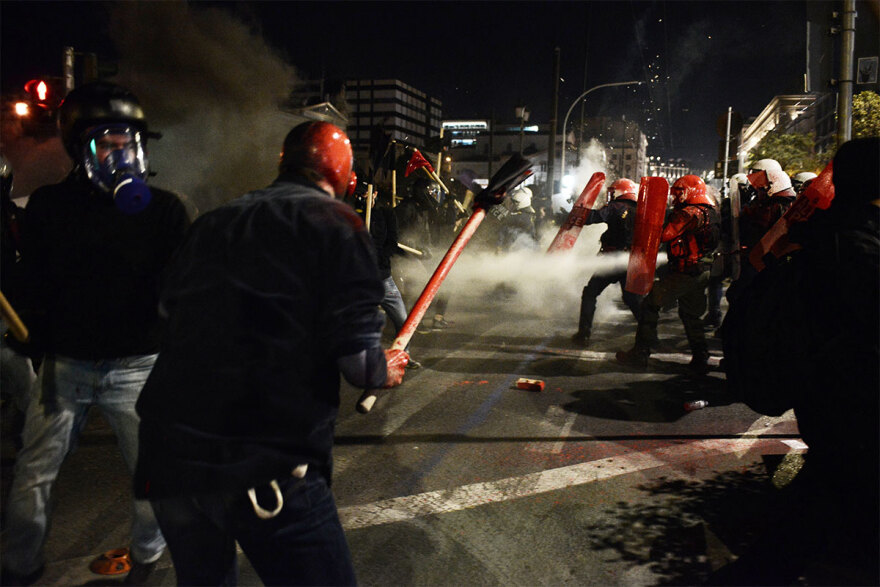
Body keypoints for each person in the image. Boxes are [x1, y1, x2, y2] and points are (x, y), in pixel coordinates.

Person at [133, 121, 409, 586]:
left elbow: (166, 312)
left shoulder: (214, 221)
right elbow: (360, 365)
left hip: (170, 463)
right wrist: (386, 367)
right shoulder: (338, 226)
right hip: (263, 464)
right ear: (343, 175)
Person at [1, 81, 190, 586]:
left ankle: (146, 558)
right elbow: (31, 283)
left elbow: (184, 291)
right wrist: (28, 330)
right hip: (65, 368)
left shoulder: (165, 211)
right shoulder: (49, 208)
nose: (119, 153)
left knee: (154, 478)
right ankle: (19, 567)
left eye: (127, 143)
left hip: (136, 369)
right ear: (80, 149)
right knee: (33, 474)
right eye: (106, 144)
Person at [712, 138, 879, 585]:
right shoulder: (857, 241)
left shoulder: (818, 232)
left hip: (824, 388)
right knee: (827, 493)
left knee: (831, 490)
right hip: (852, 391)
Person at [616, 175, 720, 373]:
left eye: (680, 192)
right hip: (701, 271)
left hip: (684, 272)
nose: (676, 196)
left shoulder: (689, 213)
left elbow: (664, 235)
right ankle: (701, 356)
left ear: (691, 191)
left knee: (650, 305)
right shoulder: (711, 211)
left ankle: (640, 354)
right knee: (691, 315)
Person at [352, 184, 420, 368]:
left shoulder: (385, 213)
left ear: (374, 193)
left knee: (402, 321)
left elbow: (392, 242)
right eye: (361, 192)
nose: (364, 196)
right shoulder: (351, 211)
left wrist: (378, 256)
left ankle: (404, 355)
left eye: (367, 192)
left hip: (382, 278)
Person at [571, 178, 642, 346]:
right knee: (632, 299)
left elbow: (592, 218)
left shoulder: (616, 206)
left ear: (620, 192)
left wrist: (575, 213)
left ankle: (584, 334)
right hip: (630, 261)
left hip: (612, 260)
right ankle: (650, 336)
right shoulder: (640, 209)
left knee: (590, 292)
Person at [396, 176, 454, 330]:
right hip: (405, 256)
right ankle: (414, 321)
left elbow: (438, 226)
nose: (434, 195)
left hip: (420, 253)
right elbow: (397, 231)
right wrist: (413, 245)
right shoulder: (407, 208)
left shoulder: (424, 209)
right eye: (431, 191)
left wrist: (450, 207)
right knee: (417, 283)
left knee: (446, 281)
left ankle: (437, 317)